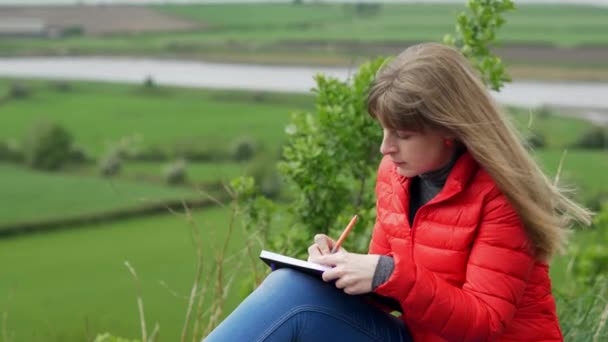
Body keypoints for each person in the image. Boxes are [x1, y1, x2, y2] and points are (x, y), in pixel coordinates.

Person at [204, 42, 592, 341]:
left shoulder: (502, 196)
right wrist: (340, 271)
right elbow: (386, 292)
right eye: (383, 130)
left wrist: (388, 273)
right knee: (294, 287)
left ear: (449, 130)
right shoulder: (395, 174)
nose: (385, 148)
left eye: (403, 135)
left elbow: (485, 323)